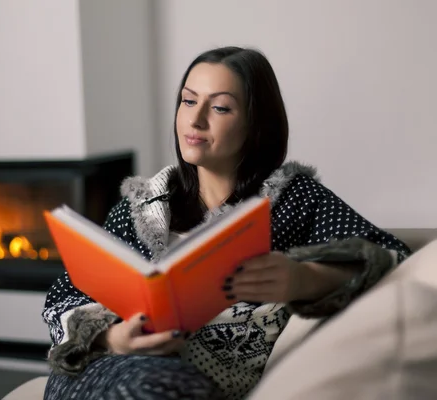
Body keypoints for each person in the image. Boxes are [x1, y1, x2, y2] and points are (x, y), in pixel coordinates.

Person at [41, 46, 411, 400]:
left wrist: (303, 279)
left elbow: (389, 258)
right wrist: (113, 339)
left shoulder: (292, 200)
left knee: (166, 388)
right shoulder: (137, 208)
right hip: (102, 370)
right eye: (188, 101)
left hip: (188, 383)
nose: (195, 119)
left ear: (256, 123)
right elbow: (66, 296)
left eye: (219, 107)